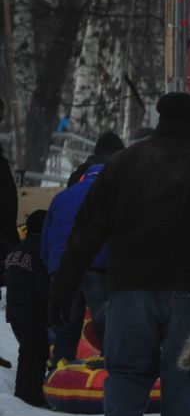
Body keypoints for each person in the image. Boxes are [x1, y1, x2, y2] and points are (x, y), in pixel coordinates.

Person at [48, 91, 190, 416]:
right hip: (188, 293)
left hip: (127, 289)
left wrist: (63, 289)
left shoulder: (123, 163)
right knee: (184, 378)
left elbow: (86, 231)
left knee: (126, 372)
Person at [43, 132, 123, 362]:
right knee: (107, 327)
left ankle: (59, 375)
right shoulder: (116, 190)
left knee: (66, 330)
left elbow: (46, 241)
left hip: (62, 268)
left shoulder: (62, 196)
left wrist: (52, 267)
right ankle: (109, 376)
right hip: (99, 266)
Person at [6, 210, 51, 407]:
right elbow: (41, 284)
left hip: (15, 311)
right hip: (33, 310)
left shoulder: (16, 250)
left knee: (26, 352)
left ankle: (21, 392)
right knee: (38, 354)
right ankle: (33, 396)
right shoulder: (40, 251)